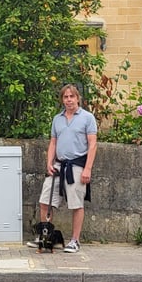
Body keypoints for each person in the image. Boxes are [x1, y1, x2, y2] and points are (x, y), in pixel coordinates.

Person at [27, 83, 97, 253]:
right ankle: (46, 238)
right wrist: (49, 163)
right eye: (65, 97)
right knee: (45, 202)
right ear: (62, 100)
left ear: (78, 98)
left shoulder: (87, 118)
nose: (69, 100)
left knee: (76, 204)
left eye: (71, 96)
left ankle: (75, 241)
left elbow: (93, 144)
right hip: (58, 165)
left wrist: (87, 169)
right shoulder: (57, 119)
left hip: (77, 164)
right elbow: (53, 143)